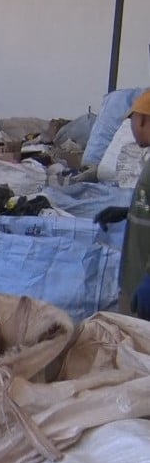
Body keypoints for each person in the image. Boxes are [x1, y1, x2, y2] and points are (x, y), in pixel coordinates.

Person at [95, 89, 150, 321]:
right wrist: (129, 212)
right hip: (136, 280)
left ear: (145, 119)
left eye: (133, 120)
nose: (132, 128)